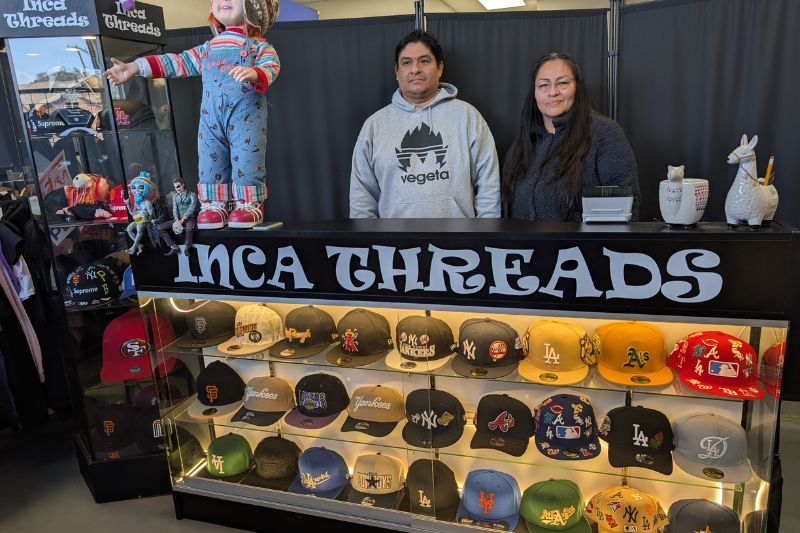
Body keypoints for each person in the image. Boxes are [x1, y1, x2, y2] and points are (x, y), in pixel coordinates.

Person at [104, 0, 280, 230]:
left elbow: (271, 65)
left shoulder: (258, 47)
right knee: (210, 159)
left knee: (247, 157)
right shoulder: (207, 49)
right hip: (210, 120)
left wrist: (255, 73)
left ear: (255, 6)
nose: (224, 0)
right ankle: (214, 204)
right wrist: (135, 67)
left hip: (245, 117)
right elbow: (176, 62)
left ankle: (248, 203)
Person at [349, 30, 501, 219]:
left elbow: (489, 186)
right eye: (406, 62)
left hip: (459, 245)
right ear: (397, 72)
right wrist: (371, 243)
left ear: (440, 67)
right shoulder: (374, 126)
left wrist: (484, 236)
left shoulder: (468, 117)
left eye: (424, 61)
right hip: (395, 245)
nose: (415, 70)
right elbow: (361, 198)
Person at [502, 52, 640, 222]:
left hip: (582, 249)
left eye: (562, 83)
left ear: (578, 87)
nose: (552, 92)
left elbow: (626, 206)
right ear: (534, 93)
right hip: (524, 248)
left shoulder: (605, 134)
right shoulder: (523, 142)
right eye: (543, 85)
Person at [157, 177, 198, 257]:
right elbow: (175, 209)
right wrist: (176, 220)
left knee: (190, 228)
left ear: (183, 185)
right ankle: (173, 246)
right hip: (178, 219)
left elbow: (191, 208)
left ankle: (187, 247)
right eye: (175, 187)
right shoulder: (175, 196)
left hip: (189, 218)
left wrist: (183, 219)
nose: (177, 189)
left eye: (178, 186)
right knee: (160, 227)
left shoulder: (192, 195)